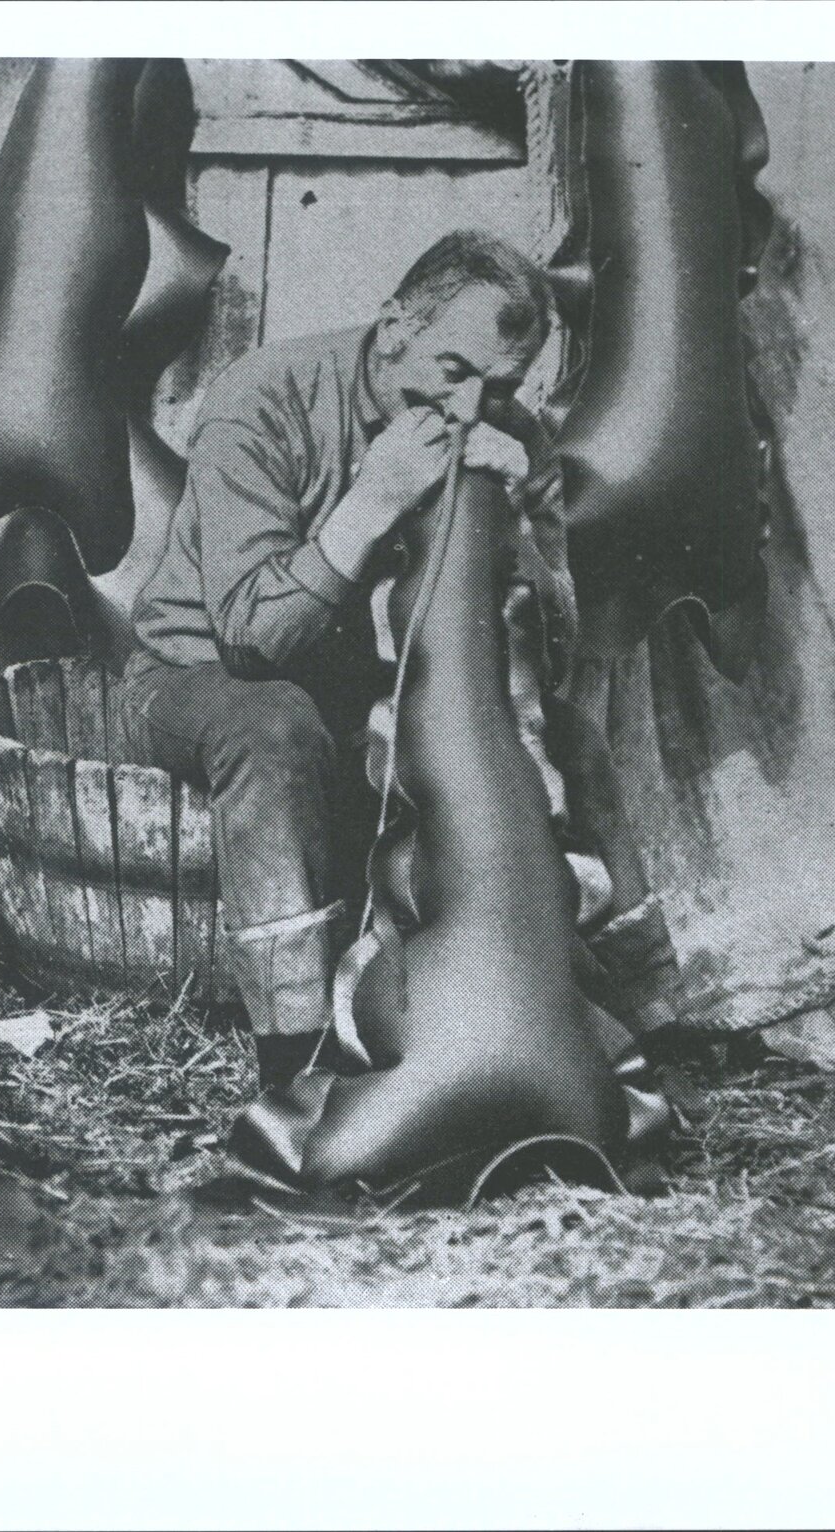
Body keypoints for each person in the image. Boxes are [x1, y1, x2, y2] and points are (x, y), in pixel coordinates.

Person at [122, 230, 576, 1085]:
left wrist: (518, 515)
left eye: (501, 387)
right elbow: (250, 640)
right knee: (275, 724)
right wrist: (373, 501)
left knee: (558, 741)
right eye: (454, 370)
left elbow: (557, 655)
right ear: (395, 324)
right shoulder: (266, 395)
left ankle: (612, 1019)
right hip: (200, 676)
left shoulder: (509, 432)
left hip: (373, 693)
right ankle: (294, 1059)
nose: (471, 409)